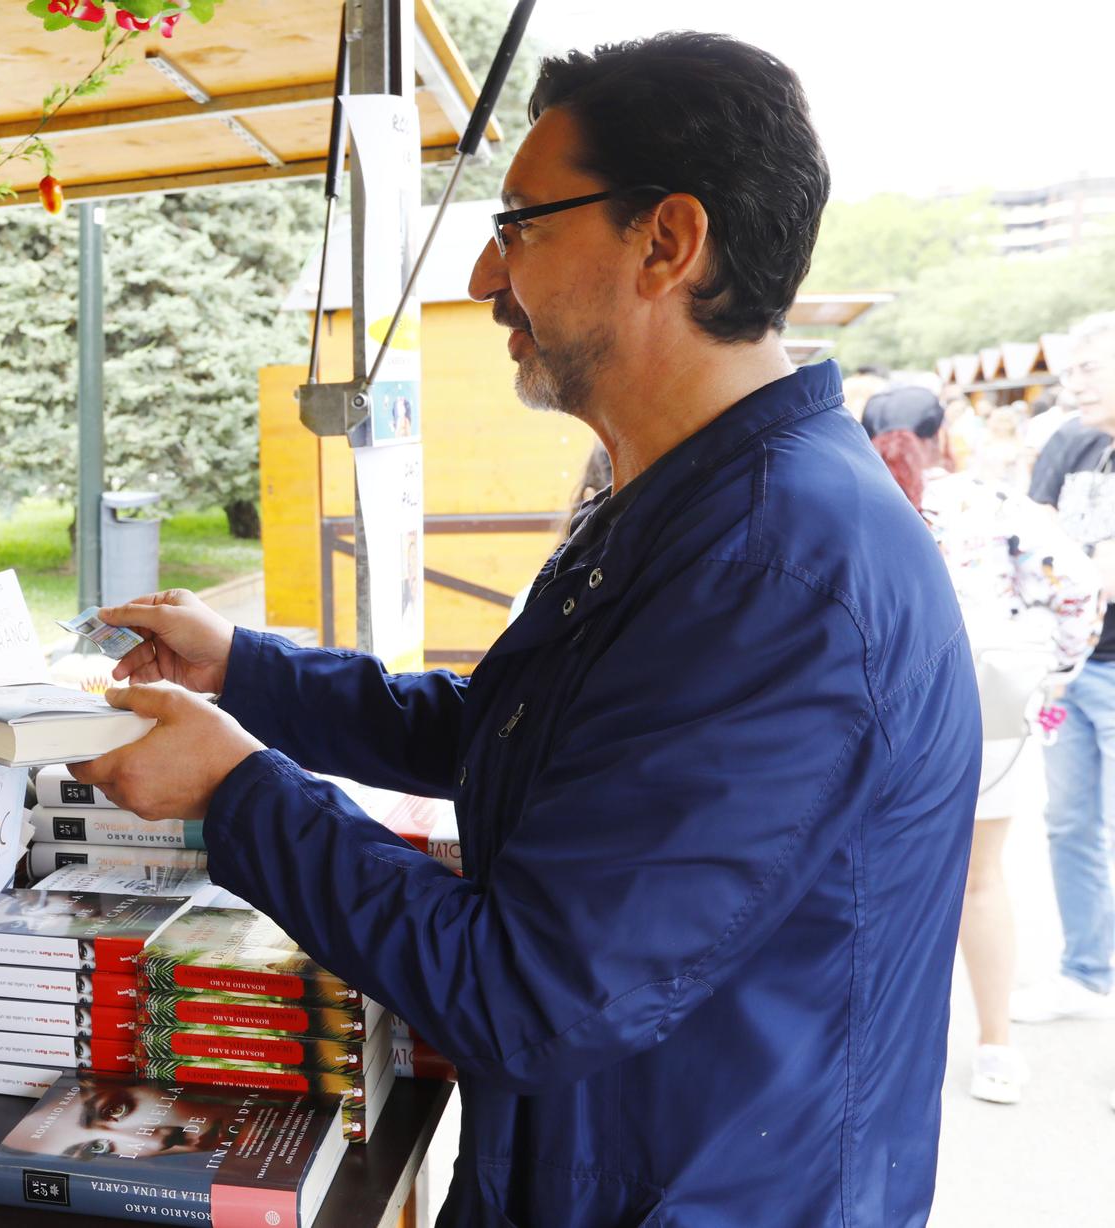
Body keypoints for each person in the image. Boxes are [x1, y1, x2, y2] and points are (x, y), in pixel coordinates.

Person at [72, 33, 977, 1227]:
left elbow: (530, 994)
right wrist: (246, 672)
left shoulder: (776, 571)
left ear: (665, 242)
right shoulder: (687, 497)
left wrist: (237, 789)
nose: (483, 280)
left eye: (519, 226)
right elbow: (520, 730)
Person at [866, 392, 1101, 1104]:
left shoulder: (856, 500)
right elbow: (1078, 589)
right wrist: (1053, 677)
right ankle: (995, 1047)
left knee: (881, 886)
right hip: (986, 711)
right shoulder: (1000, 506)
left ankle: (887, 1055)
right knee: (982, 880)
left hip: (878, 717)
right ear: (947, 436)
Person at [1016, 312, 1115, 1043]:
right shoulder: (1071, 442)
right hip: (1071, 673)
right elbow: (1035, 529)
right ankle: (1086, 971)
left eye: (1090, 368)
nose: (1074, 381)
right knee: (1069, 822)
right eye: (1072, 368)